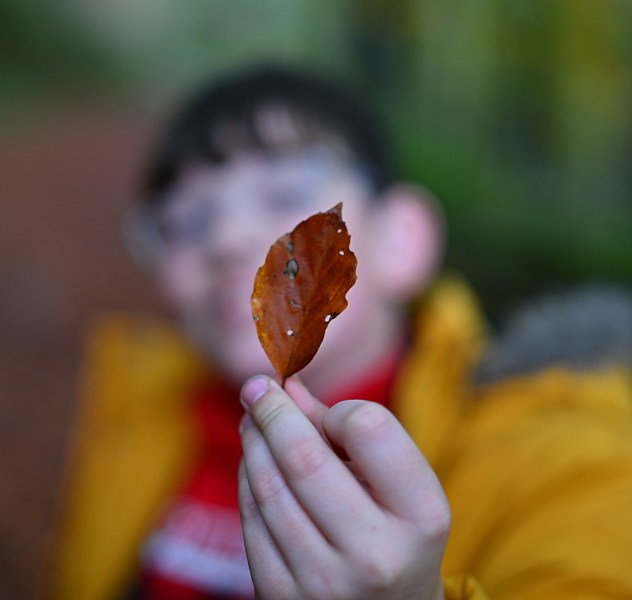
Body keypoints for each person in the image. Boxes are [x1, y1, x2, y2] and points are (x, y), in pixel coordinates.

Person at [46, 64, 632, 600]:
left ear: (403, 239)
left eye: (280, 193)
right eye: (187, 221)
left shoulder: (569, 448)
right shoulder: (138, 409)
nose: (223, 240)